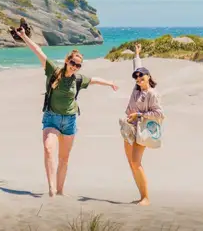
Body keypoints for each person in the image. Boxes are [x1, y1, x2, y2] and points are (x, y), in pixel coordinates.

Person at [15, 27, 119, 197]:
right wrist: (24, 36)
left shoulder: (78, 79)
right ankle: (51, 189)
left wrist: (110, 83)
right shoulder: (53, 71)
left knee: (64, 158)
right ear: (67, 61)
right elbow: (38, 51)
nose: (75, 67)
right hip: (52, 118)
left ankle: (61, 190)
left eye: (78, 65)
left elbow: (94, 80)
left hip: (70, 120)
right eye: (73, 63)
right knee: (49, 149)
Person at [119, 43, 164, 206]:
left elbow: (160, 114)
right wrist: (137, 53)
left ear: (149, 77)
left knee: (136, 162)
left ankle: (146, 198)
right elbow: (137, 66)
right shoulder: (137, 88)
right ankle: (141, 196)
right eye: (136, 77)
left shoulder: (152, 93)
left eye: (141, 76)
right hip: (129, 127)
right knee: (132, 163)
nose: (138, 79)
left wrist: (140, 115)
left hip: (142, 129)